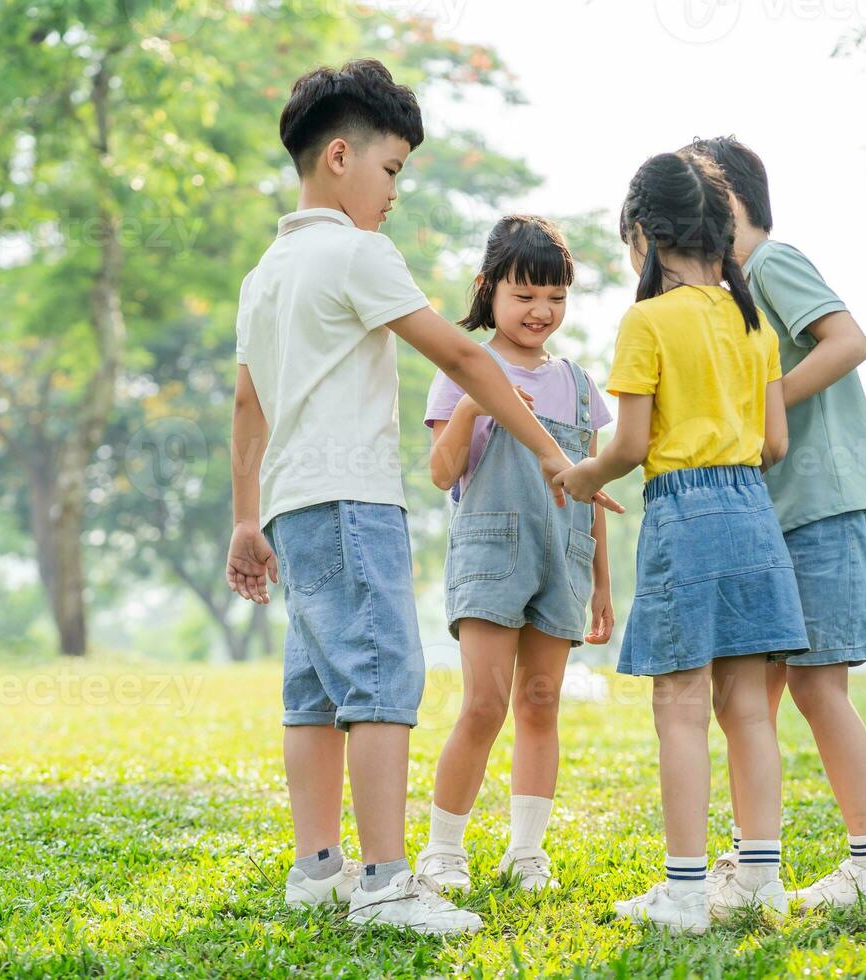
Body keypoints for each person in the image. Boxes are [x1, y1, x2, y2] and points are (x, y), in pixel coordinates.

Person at [225, 58, 620, 935]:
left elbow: (248, 404)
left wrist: (247, 518)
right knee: (380, 680)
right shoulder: (357, 251)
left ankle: (317, 869)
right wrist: (558, 456)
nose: (394, 191)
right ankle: (385, 883)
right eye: (392, 169)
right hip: (352, 499)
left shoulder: (265, 274)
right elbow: (468, 359)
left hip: (292, 506)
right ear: (340, 157)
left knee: (317, 692)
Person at [555, 150, 807, 933]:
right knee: (749, 712)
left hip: (684, 513)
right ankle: (760, 881)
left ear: (643, 234)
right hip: (752, 514)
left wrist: (580, 476)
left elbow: (627, 446)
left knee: (678, 704)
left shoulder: (647, 320)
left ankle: (686, 893)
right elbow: (773, 444)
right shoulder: (750, 319)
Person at [689, 136, 866, 910]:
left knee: (819, 687)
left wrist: (765, 401)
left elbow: (849, 341)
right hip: (778, 517)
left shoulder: (770, 263)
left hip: (827, 503)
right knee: (745, 694)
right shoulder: (728, 295)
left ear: (723, 200)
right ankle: (755, 870)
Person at [417, 216, 615, 893]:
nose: (542, 311)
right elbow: (442, 474)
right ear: (488, 289)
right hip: (491, 552)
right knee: (484, 703)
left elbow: (589, 488)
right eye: (525, 294)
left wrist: (602, 586)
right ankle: (444, 850)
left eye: (555, 297)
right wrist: (476, 408)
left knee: (541, 703)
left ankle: (526, 852)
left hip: (565, 555)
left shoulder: (582, 386)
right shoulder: (465, 367)